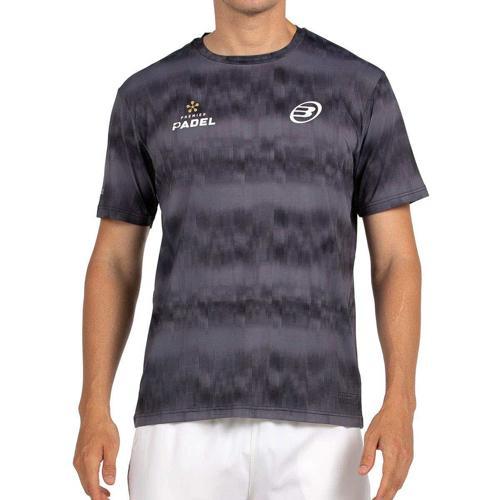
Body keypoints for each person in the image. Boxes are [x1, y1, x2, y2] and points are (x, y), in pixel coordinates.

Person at [73, 1, 428, 499]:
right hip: (177, 418)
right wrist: (92, 406)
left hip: (321, 425)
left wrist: (401, 402)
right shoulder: (147, 94)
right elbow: (114, 260)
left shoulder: (359, 87)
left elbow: (395, 260)